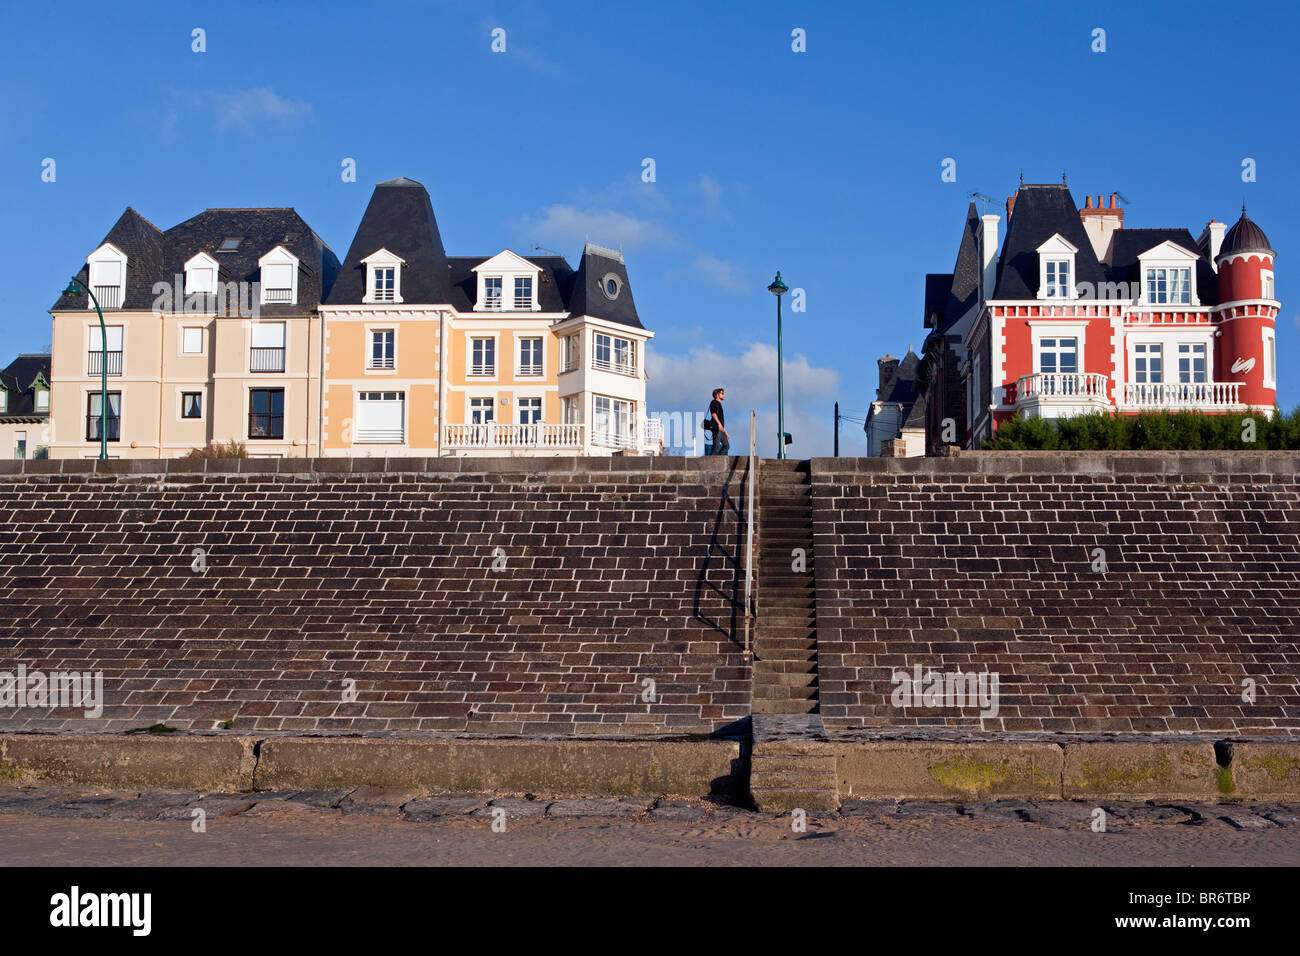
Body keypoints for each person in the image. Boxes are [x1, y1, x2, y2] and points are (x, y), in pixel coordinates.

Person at [705, 386, 729, 456]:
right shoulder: (714, 402)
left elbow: (721, 420)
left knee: (726, 446)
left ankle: (719, 460)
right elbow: (714, 414)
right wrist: (719, 424)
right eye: (722, 393)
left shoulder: (719, 404)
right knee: (716, 447)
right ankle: (711, 462)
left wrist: (726, 432)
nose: (724, 395)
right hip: (716, 428)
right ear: (717, 395)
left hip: (720, 429)